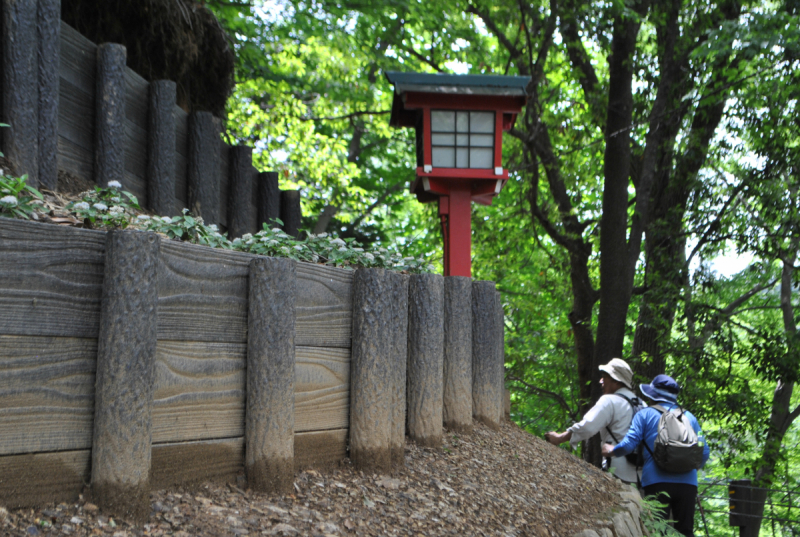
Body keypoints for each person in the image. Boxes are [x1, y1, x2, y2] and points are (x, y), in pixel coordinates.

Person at [602, 374, 710, 537]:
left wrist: (611, 450)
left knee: (656, 531)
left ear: (653, 394)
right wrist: (691, 467)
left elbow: (629, 445)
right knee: (685, 531)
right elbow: (705, 450)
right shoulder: (690, 417)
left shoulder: (645, 415)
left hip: (656, 481)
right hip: (688, 483)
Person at [545, 358, 642, 485]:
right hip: (642, 476)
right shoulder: (641, 404)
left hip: (618, 473)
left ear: (616, 380)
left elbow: (587, 427)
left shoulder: (610, 400)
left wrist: (559, 438)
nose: (601, 381)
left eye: (604, 377)